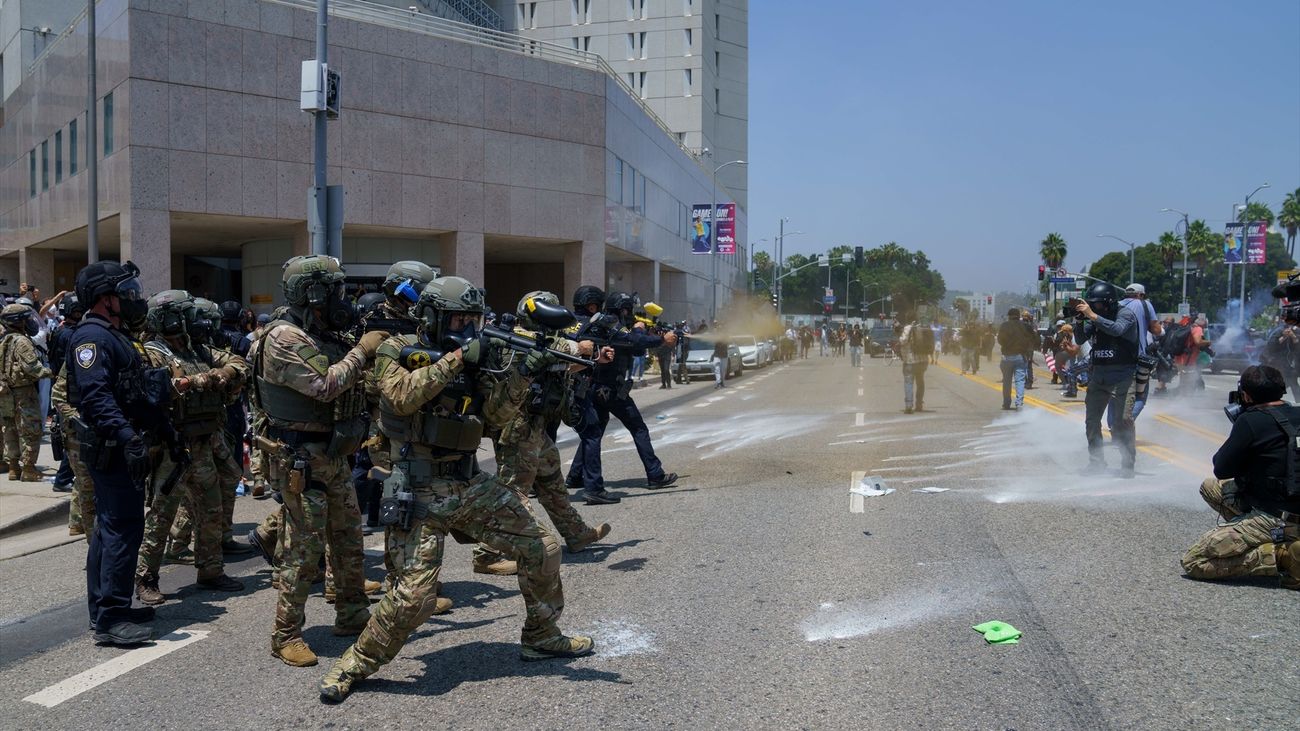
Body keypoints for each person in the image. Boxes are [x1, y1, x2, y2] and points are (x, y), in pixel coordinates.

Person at [318, 277, 594, 703]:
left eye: (473, 320)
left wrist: (523, 372)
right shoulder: (396, 347)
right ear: (430, 317)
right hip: (412, 484)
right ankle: (356, 661)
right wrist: (457, 359)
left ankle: (541, 635)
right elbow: (400, 396)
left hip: (467, 483)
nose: (468, 326)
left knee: (542, 547)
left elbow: (496, 419)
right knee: (414, 598)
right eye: (459, 318)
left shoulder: (477, 359)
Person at [248, 255, 385, 667]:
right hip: (300, 457)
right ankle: (285, 634)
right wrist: (362, 350)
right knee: (302, 550)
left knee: (347, 537)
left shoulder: (319, 331)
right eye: (337, 290)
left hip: (332, 452)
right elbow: (324, 386)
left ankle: (352, 613)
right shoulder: (285, 338)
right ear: (314, 292)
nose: (343, 299)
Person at [69, 260, 170, 646]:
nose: (131, 298)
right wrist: (129, 437)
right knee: (121, 529)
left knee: (111, 527)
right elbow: (97, 398)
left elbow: (132, 391)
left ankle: (108, 608)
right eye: (123, 293)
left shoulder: (114, 335)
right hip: (111, 447)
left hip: (119, 444)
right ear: (104, 299)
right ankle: (111, 617)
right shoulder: (91, 339)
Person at [133, 291, 248, 606]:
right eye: (187, 314)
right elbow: (159, 391)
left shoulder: (199, 350)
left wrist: (211, 377)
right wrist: (209, 380)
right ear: (170, 318)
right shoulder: (152, 354)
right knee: (161, 514)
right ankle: (146, 578)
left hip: (205, 443)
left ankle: (210, 570)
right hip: (174, 449)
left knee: (211, 509)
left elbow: (238, 364)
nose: (195, 320)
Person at [1180, 365, 1298, 589]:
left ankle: (1281, 556)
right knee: (1211, 488)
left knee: (1194, 561)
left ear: (1245, 395)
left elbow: (1221, 468)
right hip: (1291, 505)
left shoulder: (1251, 421)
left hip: (1275, 517)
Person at [564, 288, 679, 505]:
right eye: (628, 310)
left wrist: (646, 332)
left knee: (592, 432)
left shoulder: (587, 323)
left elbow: (633, 350)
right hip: (608, 389)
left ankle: (575, 475)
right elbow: (634, 342)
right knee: (637, 427)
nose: (630, 313)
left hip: (593, 387)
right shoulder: (608, 324)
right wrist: (662, 339)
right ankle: (655, 474)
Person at [1074, 283, 1141, 477]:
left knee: (1122, 421)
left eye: (1098, 305)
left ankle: (1128, 465)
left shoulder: (1125, 314)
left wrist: (1092, 316)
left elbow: (1117, 330)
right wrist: (1079, 322)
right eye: (1092, 305)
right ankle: (1096, 463)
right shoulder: (1094, 317)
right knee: (1092, 421)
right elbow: (1079, 340)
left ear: (1110, 303)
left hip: (1123, 376)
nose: (1094, 308)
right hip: (1099, 375)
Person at [0, 303, 51, 481]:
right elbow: (33, 368)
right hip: (24, 393)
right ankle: (29, 469)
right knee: (30, 429)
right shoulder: (21, 341)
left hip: (6, 393)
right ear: (18, 321)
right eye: (26, 319)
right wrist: (53, 372)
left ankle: (14, 468)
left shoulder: (3, 340)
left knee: (10, 429)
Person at [1260, 306, 1300, 398]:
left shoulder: (1295, 330)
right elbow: (1271, 346)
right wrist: (1284, 337)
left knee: (1291, 381)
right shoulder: (1278, 330)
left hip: (1285, 363)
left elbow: (1296, 346)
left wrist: (1293, 337)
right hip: (1272, 362)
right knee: (1282, 382)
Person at [997, 308, 1031, 410]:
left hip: (1007, 356)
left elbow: (999, 340)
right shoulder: (1024, 326)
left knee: (1007, 381)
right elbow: (1031, 339)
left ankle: (1006, 403)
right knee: (1020, 381)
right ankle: (1019, 403)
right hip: (1020, 356)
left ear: (1009, 316)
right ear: (1018, 315)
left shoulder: (1004, 326)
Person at [899, 315, 931, 414]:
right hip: (923, 361)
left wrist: (899, 337)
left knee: (909, 382)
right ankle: (919, 405)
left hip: (910, 361)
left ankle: (909, 405)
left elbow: (903, 341)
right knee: (920, 382)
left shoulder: (908, 328)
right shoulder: (923, 327)